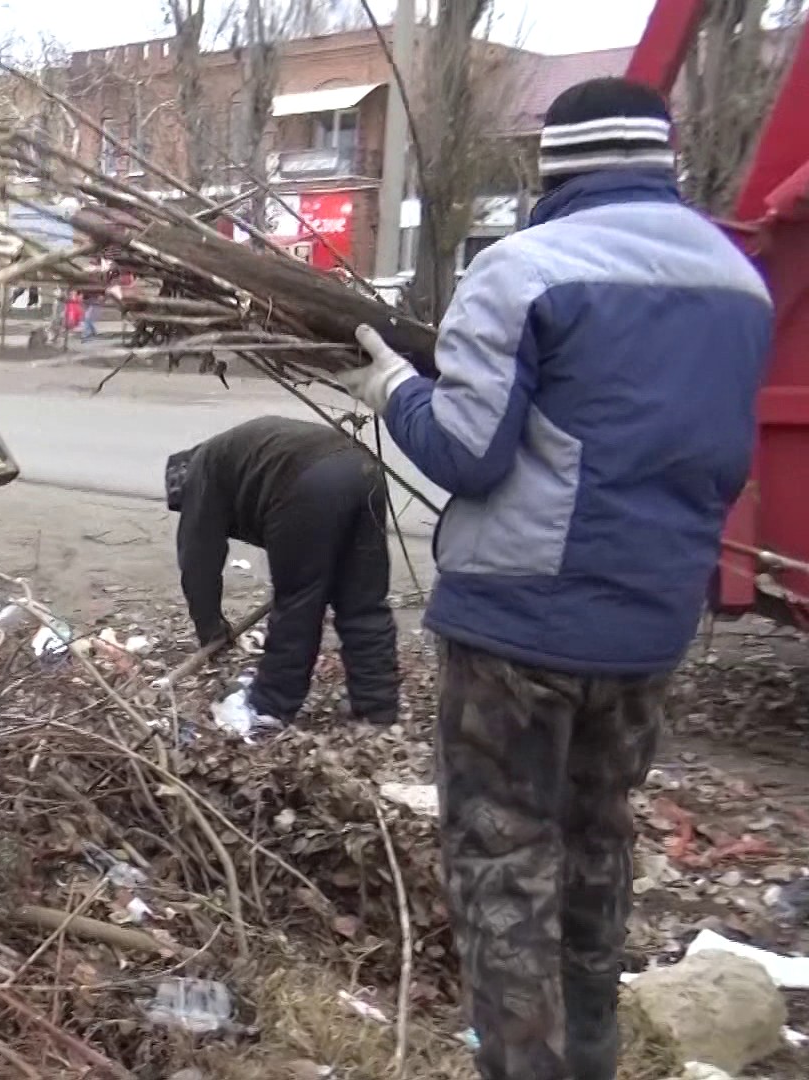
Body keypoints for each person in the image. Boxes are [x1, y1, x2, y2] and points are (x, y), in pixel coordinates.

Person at [334, 78, 773, 1080]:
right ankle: (591, 1059)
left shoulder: (525, 267)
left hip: (519, 630)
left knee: (505, 862)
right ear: (661, 159)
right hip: (651, 625)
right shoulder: (741, 282)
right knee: (595, 848)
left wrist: (395, 388)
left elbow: (467, 450)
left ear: (555, 166)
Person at [163, 416, 399, 732]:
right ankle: (377, 709)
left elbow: (197, 563)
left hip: (308, 482)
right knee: (364, 601)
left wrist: (210, 631)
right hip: (364, 470)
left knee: (299, 604)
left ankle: (271, 707)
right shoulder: (233, 454)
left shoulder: (201, 474)